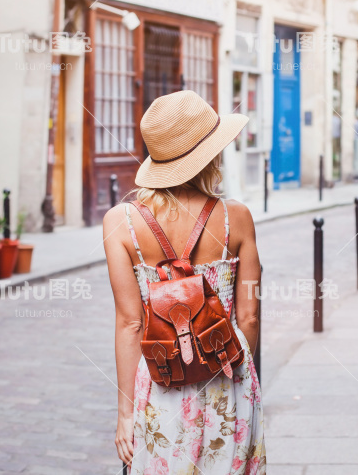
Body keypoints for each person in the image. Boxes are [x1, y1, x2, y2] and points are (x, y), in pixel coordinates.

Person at [103, 90, 265, 474]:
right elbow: (250, 317)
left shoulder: (120, 222)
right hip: (228, 376)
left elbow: (129, 323)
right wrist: (235, 372)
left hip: (161, 382)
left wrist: (125, 413)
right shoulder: (236, 218)